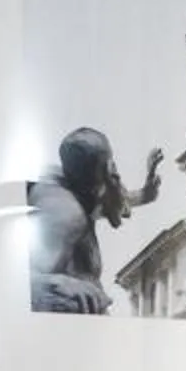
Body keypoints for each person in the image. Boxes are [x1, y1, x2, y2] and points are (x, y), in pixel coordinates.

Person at [28, 129, 162, 313]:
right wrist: (59, 287)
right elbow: (23, 283)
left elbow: (107, 202)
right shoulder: (66, 215)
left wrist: (144, 195)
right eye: (111, 166)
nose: (116, 173)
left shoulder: (81, 188)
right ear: (108, 170)